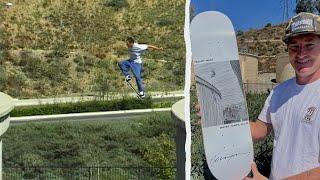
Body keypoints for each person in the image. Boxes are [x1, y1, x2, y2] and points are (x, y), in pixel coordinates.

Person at [246, 12, 320, 180]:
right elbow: (259, 130)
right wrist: (220, 118)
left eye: (309, 45)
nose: (301, 54)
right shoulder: (279, 92)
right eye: (294, 47)